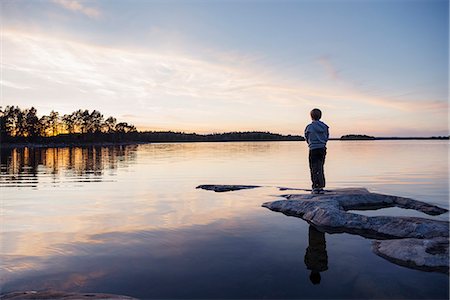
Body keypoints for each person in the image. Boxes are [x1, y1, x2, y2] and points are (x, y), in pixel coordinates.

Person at [304, 108, 329, 194]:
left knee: (313, 168)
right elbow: (327, 137)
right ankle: (321, 187)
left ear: (311, 116)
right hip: (322, 148)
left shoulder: (309, 127)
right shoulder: (325, 126)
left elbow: (306, 137)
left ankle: (315, 187)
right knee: (320, 167)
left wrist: (311, 143)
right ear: (320, 116)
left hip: (313, 149)